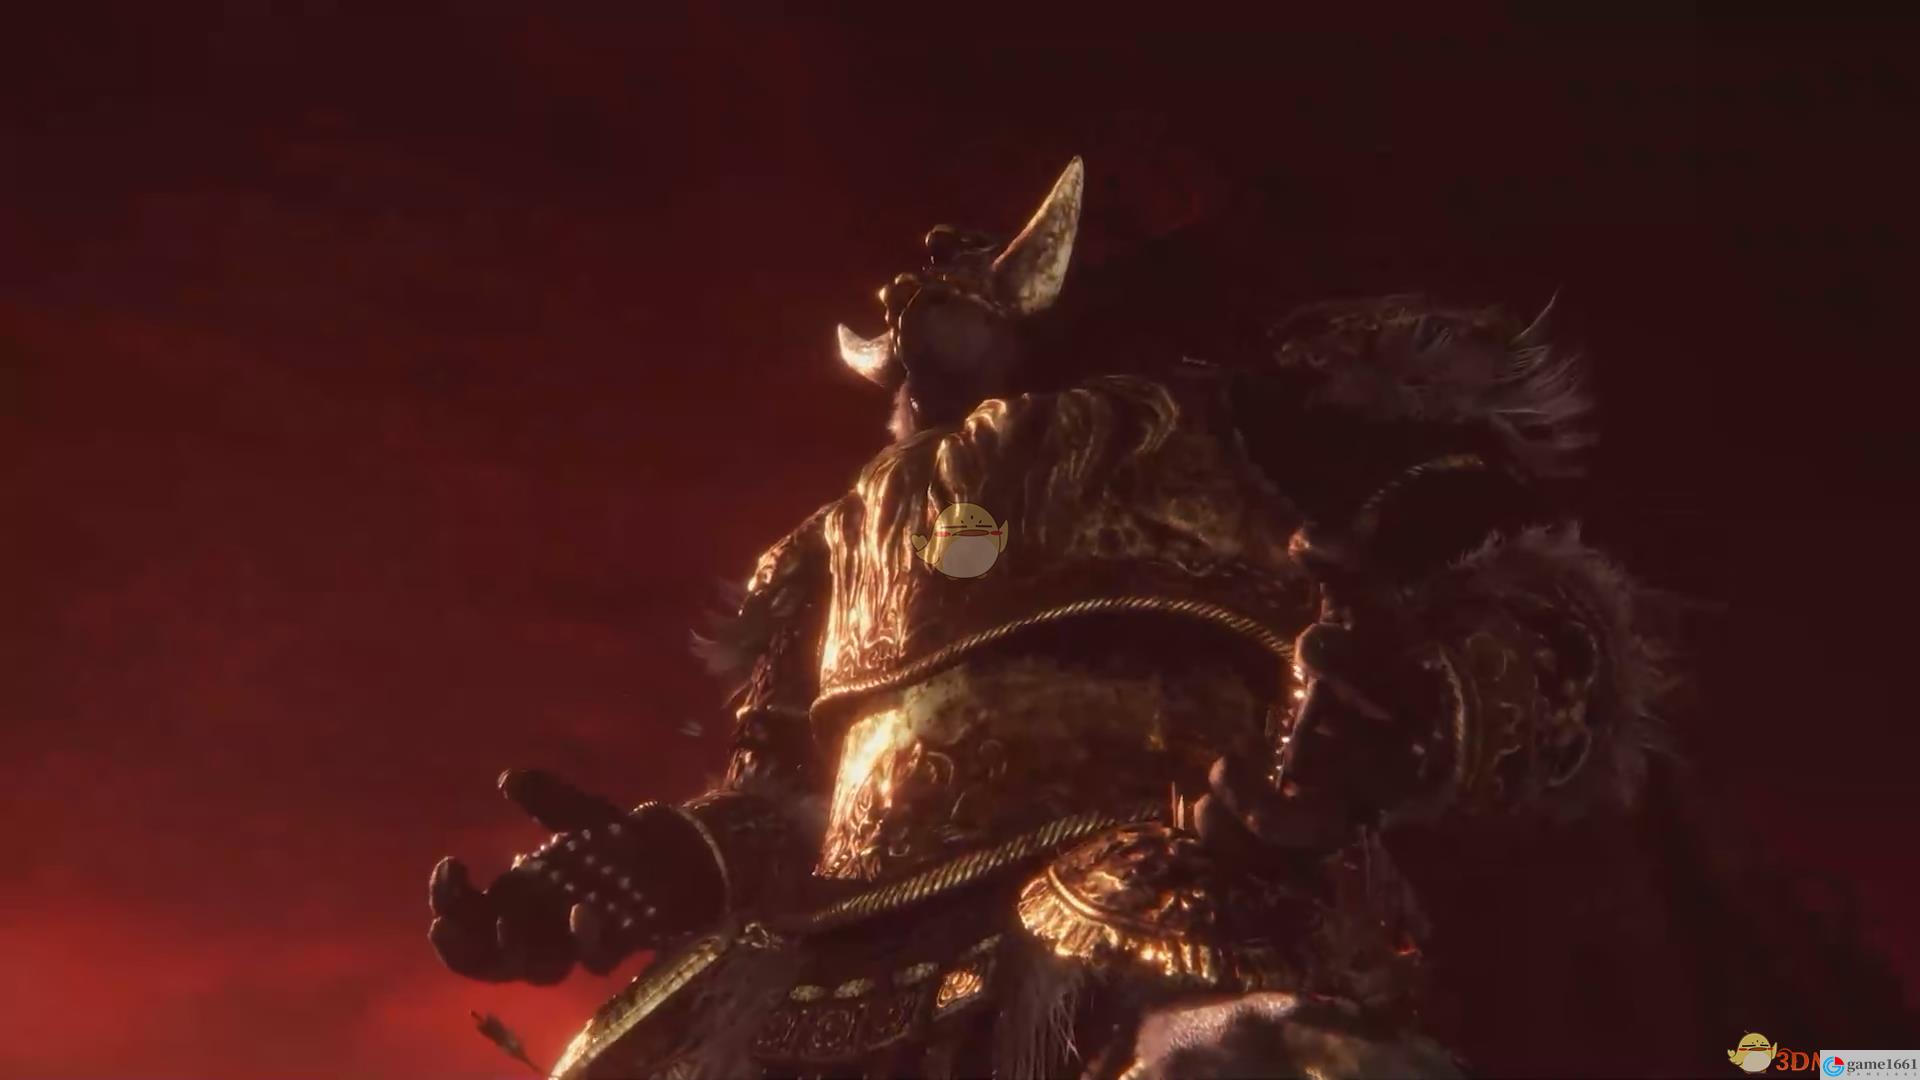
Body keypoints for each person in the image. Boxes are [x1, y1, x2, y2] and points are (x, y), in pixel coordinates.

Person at [427, 159, 1679, 1079]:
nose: (925, 257)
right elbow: (794, 795)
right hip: (829, 966)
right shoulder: (825, 550)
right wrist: (665, 862)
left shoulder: (1257, 428)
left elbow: (1528, 621)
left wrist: (1405, 711)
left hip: (1177, 893)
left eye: (969, 250)